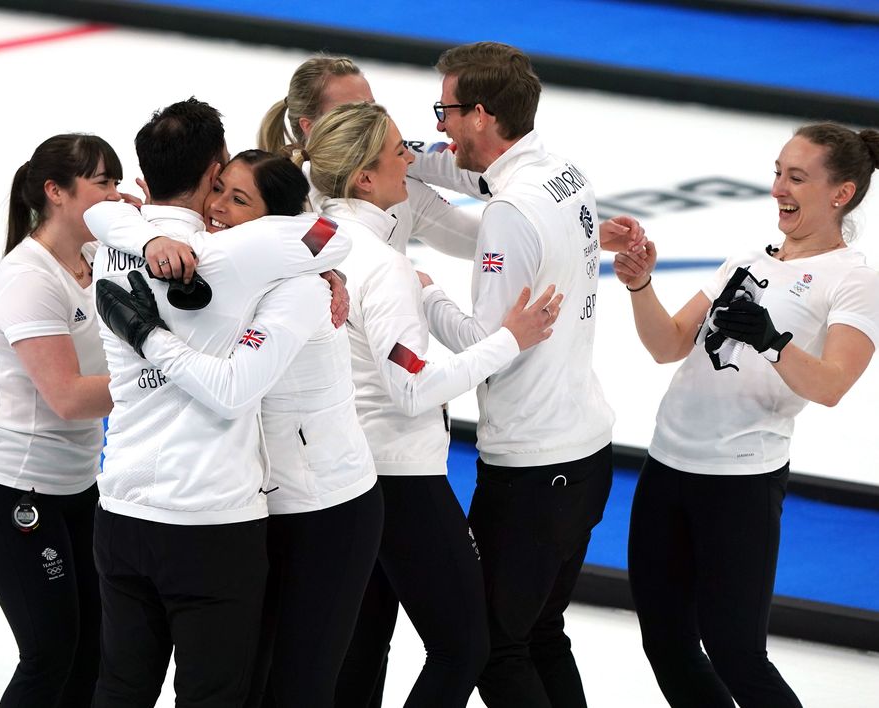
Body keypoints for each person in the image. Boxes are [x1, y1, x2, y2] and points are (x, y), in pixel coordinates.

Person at [85, 98, 351, 708]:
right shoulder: (235, 254)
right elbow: (329, 237)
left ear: (143, 176)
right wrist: (319, 273)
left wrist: (143, 230)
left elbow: (102, 211)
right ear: (216, 166)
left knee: (119, 689)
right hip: (208, 521)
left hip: (122, 506)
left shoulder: (112, 244)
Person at [298, 101, 562, 708]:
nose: (410, 160)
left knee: (359, 649)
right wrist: (507, 340)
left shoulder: (313, 238)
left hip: (343, 471)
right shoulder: (382, 266)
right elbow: (412, 384)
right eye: (398, 153)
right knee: (464, 647)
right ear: (365, 177)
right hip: (400, 476)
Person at [611, 123, 879, 708]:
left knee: (735, 653)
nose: (779, 187)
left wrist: (774, 341)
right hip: (667, 468)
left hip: (740, 484)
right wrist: (641, 286)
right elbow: (669, 344)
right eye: (778, 171)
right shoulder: (746, 258)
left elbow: (833, 385)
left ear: (842, 194)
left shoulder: (853, 279)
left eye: (798, 177)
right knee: (666, 642)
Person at [417, 42, 618, 708]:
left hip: (533, 464)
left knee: (495, 648)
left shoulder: (508, 213)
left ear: (480, 114)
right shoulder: (559, 169)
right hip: (583, 447)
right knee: (541, 633)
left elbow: (492, 341)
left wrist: (422, 294)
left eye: (445, 111)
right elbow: (468, 173)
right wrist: (393, 152)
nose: (440, 125)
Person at [0, 133, 124, 707]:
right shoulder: (28, 281)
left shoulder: (95, 259)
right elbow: (70, 398)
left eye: (116, 180)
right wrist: (169, 379)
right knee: (51, 651)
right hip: (14, 492)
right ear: (56, 192)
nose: (115, 193)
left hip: (77, 487)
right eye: (102, 181)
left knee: (96, 648)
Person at [259, 54, 479, 259]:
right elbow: (303, 271)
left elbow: (487, 242)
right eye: (353, 110)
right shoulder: (284, 203)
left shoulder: (396, 187)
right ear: (310, 127)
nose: (372, 118)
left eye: (372, 107)